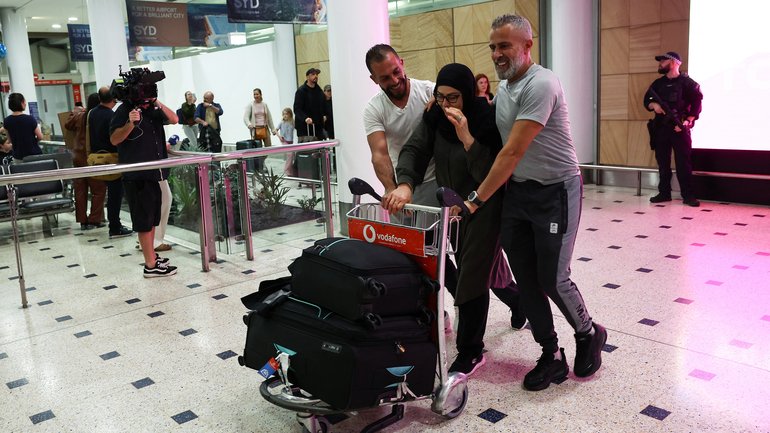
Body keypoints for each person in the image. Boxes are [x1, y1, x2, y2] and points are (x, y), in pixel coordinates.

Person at [466, 14, 607, 391]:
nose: (497, 53)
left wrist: (476, 201)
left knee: (552, 277)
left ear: (528, 46)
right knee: (526, 279)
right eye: (493, 46)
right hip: (520, 193)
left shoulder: (541, 83)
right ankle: (550, 354)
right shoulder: (505, 86)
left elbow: (512, 152)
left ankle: (588, 331)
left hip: (557, 192)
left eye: (505, 46)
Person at [364, 44, 524, 334]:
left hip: (465, 195)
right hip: (412, 186)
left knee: (474, 261)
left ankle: (505, 305)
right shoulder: (383, 108)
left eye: (396, 71)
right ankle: (456, 309)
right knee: (432, 257)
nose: (394, 80)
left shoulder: (434, 95)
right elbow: (385, 153)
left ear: (402, 63)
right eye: (385, 78)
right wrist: (397, 188)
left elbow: (491, 169)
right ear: (375, 80)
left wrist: (464, 137)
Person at [110, 93, 178, 278]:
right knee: (144, 220)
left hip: (154, 172)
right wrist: (130, 124)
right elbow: (115, 139)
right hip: (137, 174)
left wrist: (156, 101)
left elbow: (174, 118)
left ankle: (152, 257)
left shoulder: (153, 109)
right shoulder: (124, 110)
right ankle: (150, 265)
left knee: (152, 218)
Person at [644, 51, 703, 207]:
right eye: (660, 61)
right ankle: (664, 193)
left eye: (664, 60)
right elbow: (646, 100)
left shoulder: (687, 83)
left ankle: (688, 195)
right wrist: (653, 105)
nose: (660, 63)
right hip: (661, 129)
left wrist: (688, 121)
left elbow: (697, 103)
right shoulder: (657, 84)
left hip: (679, 129)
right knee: (662, 163)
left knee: (683, 163)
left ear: (675, 62)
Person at [90, 87, 133, 239]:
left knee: (108, 193)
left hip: (96, 158)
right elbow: (115, 138)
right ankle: (115, 226)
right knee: (115, 194)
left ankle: (113, 224)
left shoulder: (92, 113)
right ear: (114, 98)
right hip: (112, 158)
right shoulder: (112, 115)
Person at [65, 92, 106, 230]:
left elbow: (67, 125)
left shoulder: (80, 115)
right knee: (98, 189)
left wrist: (75, 111)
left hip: (77, 156)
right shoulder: (96, 116)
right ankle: (94, 219)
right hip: (91, 157)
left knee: (80, 190)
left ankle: (82, 220)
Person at [3, 93, 43, 162]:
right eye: (24, 101)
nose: (25, 104)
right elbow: (40, 137)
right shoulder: (30, 119)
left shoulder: (7, 121)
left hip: (18, 157)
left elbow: (10, 140)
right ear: (21, 103)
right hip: (34, 156)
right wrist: (32, 141)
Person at [294, 68, 325, 142]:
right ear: (307, 77)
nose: (316, 76)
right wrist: (305, 118)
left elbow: (323, 105)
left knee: (320, 151)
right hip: (305, 129)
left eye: (316, 74)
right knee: (307, 152)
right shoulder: (301, 91)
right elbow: (297, 109)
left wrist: (325, 115)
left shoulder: (319, 91)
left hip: (318, 127)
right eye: (313, 74)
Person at [274, 107, 296, 176]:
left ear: (290, 114)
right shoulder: (281, 123)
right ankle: (286, 170)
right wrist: (279, 136)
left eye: (286, 114)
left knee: (292, 156)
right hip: (284, 141)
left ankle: (291, 170)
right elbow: (275, 130)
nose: (285, 116)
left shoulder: (292, 122)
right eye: (283, 114)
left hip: (290, 141)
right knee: (290, 154)